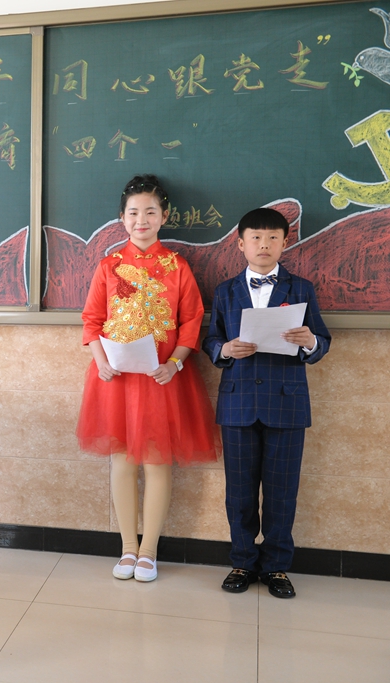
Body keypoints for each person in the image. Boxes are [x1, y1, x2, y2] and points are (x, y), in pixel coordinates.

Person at [77, 174, 218, 582]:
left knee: (157, 463)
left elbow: (192, 321)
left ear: (164, 217)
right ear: (122, 218)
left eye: (150, 212)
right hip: (116, 380)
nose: (142, 220)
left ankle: (149, 552)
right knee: (122, 462)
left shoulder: (177, 266)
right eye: (134, 212)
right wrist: (101, 361)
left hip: (162, 380)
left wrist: (175, 363)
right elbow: (91, 320)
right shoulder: (108, 266)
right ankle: (126, 548)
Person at [203, 207, 330, 599]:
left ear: (284, 242)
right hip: (238, 403)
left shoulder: (301, 288)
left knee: (281, 491)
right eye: (256, 237)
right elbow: (211, 340)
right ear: (240, 244)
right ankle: (242, 561)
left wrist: (309, 341)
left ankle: (276, 567)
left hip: (287, 404)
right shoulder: (225, 291)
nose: (264, 244)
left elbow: (322, 341)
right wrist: (224, 349)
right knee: (239, 492)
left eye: (273, 237)